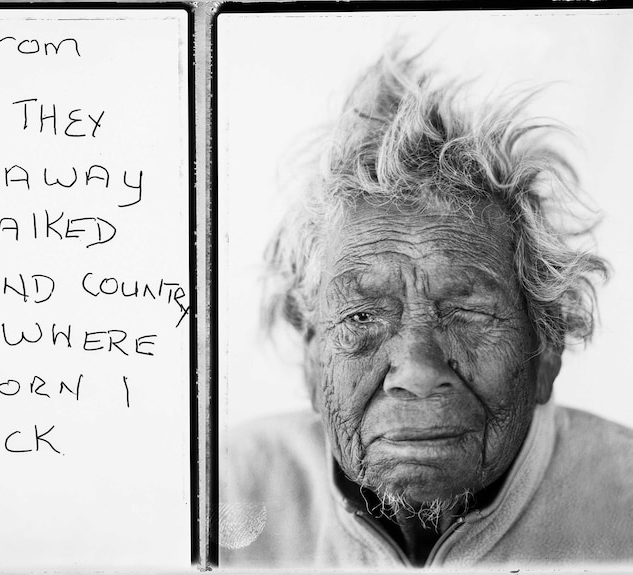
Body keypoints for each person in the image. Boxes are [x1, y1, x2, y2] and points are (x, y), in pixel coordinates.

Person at [221, 52, 633, 568]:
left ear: (546, 349)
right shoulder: (227, 491)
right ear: (312, 362)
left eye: (467, 313)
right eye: (361, 318)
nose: (416, 373)